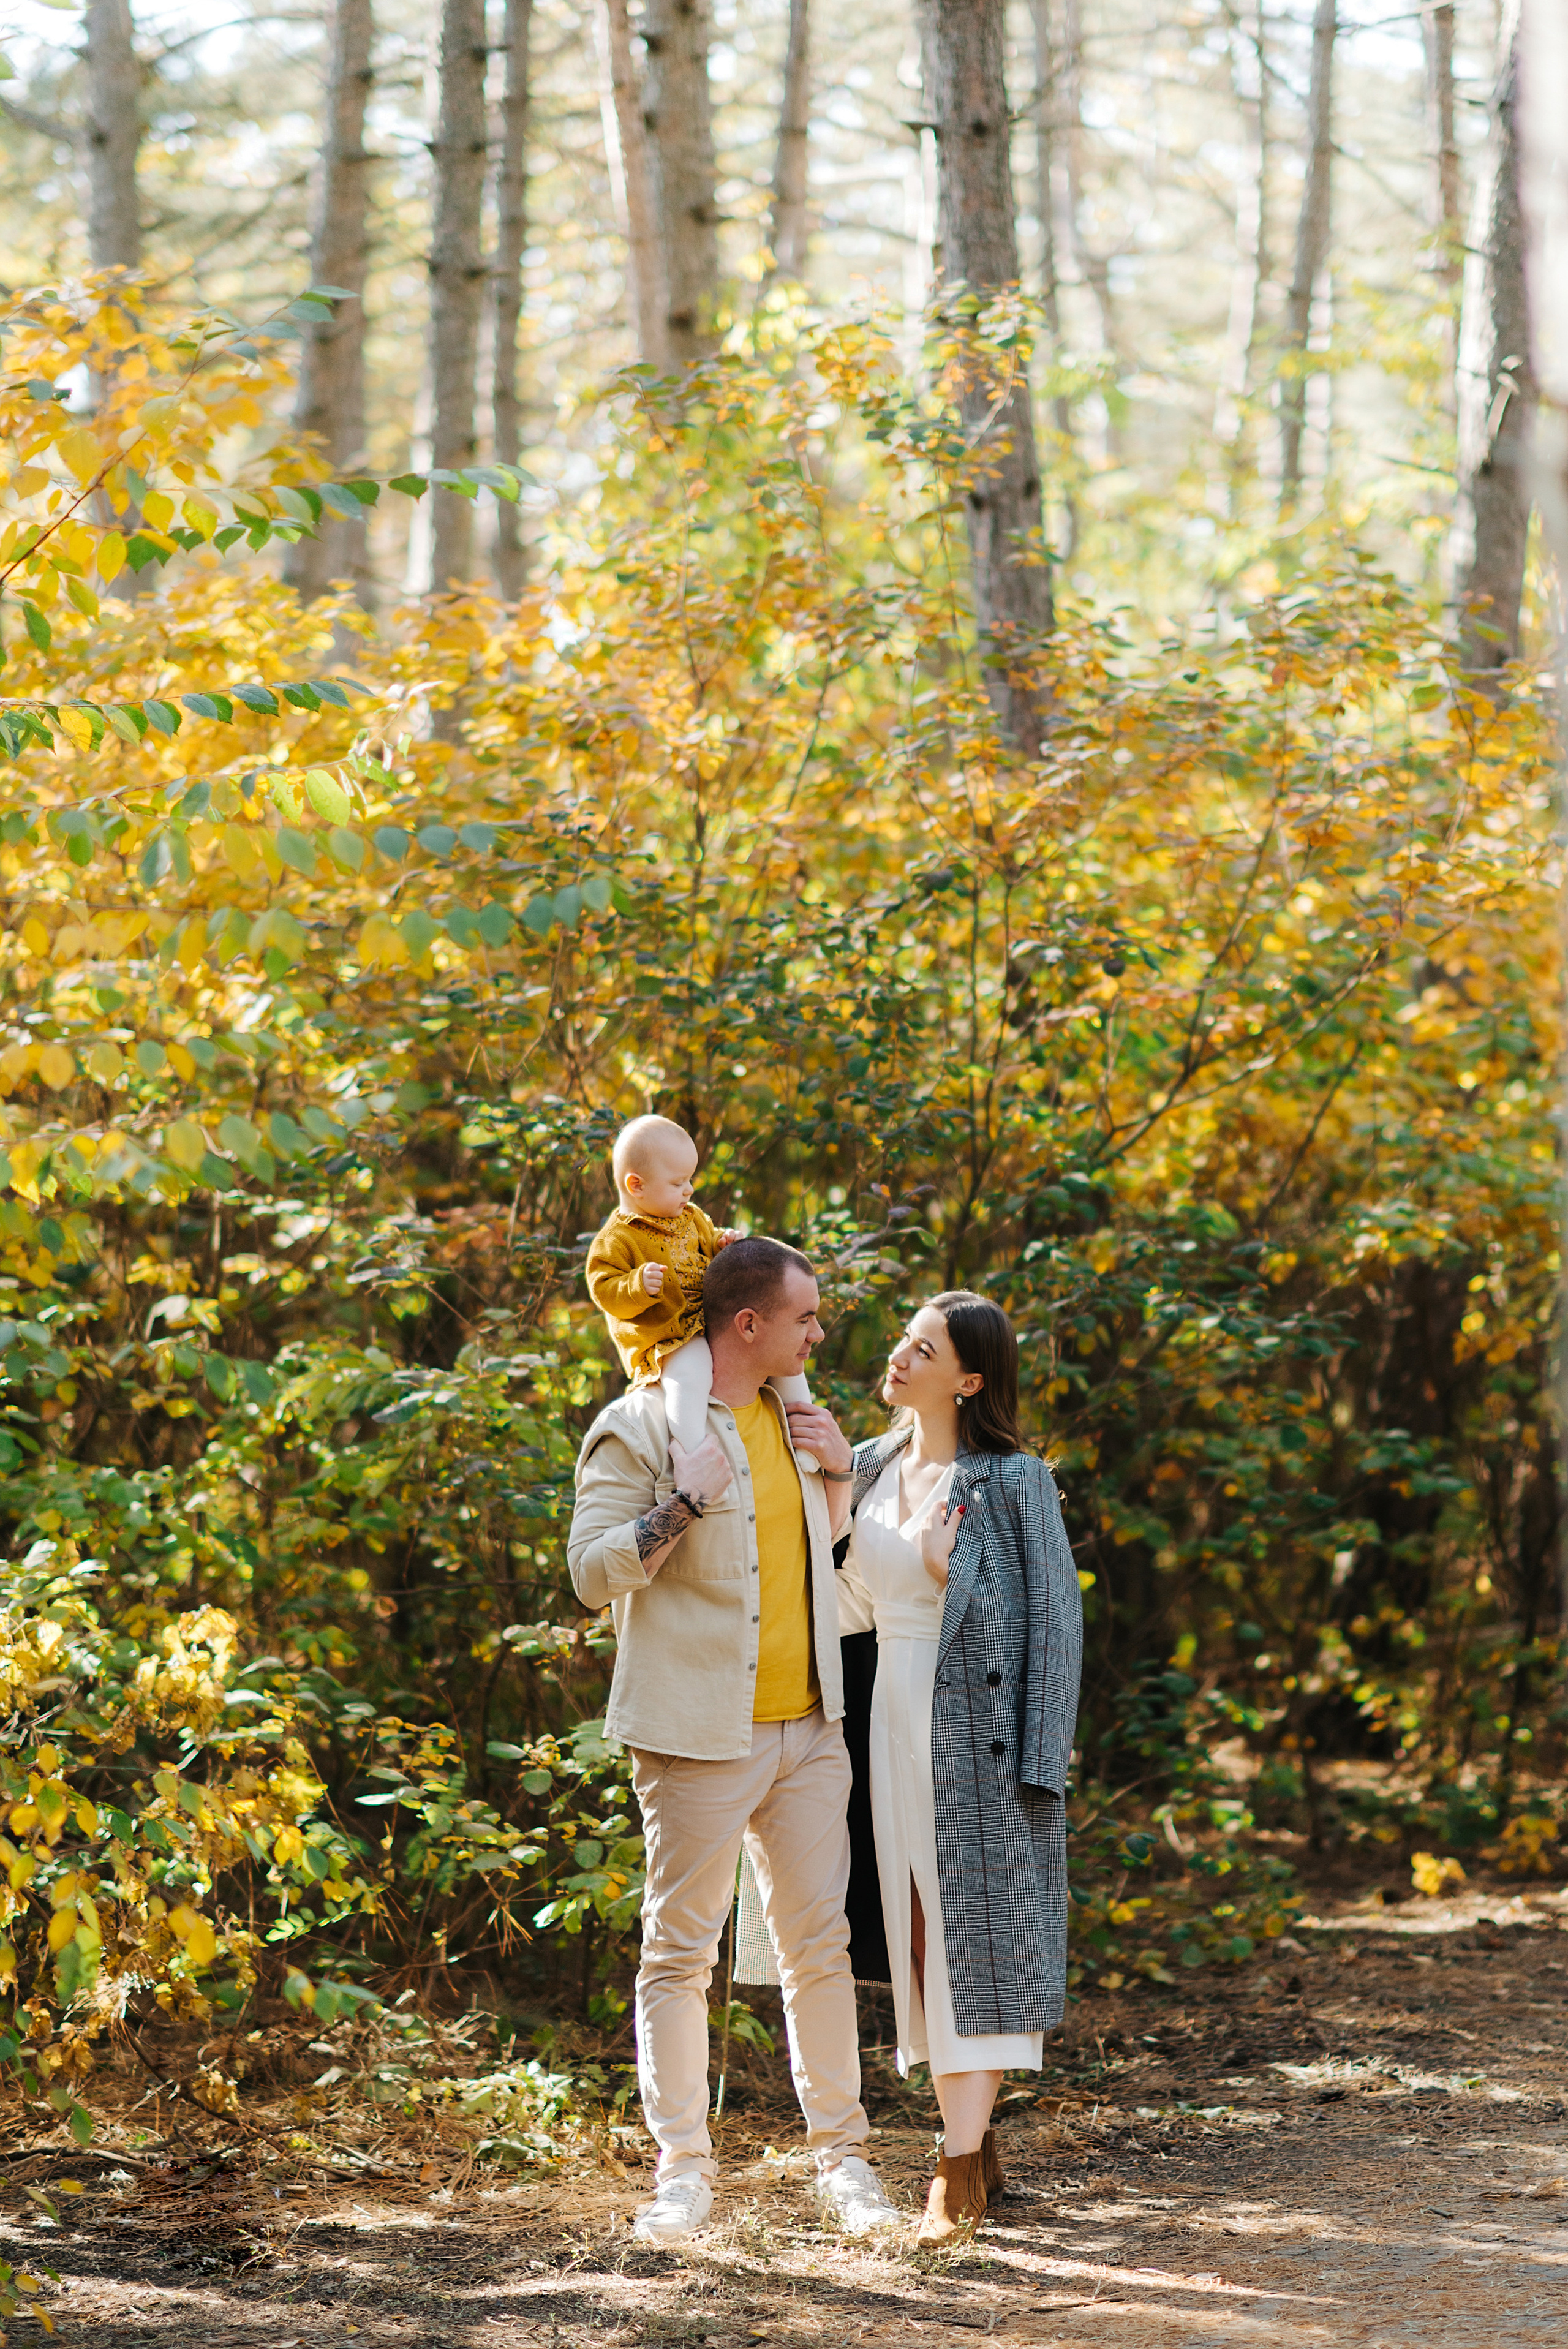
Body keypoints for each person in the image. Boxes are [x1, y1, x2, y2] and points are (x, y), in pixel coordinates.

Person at [567, 1235, 900, 2245]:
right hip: (696, 1737)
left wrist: (844, 1480)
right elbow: (591, 1574)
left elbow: (824, 1581)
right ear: (748, 1326)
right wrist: (683, 1503)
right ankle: (683, 2178)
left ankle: (844, 2163)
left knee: (819, 1953)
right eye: (806, 1317)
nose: (820, 1332)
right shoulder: (641, 1425)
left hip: (812, 1731)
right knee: (679, 1957)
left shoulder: (801, 1424)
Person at [835, 1291, 1083, 2243]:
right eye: (906, 1336)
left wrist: (953, 1573)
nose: (900, 1353)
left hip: (977, 1732)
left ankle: (955, 2168)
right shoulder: (870, 1462)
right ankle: (974, 2140)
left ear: (968, 1378)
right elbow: (844, 1598)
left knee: (973, 1942)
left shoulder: (1015, 1479)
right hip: (881, 1713)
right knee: (920, 1937)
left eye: (923, 1346)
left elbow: (1053, 1625)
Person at [584, 1115, 818, 1468]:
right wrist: (635, 1285)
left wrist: (721, 1243)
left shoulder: (690, 1216)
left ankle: (806, 1438)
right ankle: (694, 1455)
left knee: (788, 1364)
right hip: (670, 1333)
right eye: (678, 1182)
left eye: (690, 1180)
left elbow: (705, 1245)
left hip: (711, 1315)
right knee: (692, 1374)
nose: (689, 1190)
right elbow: (603, 1288)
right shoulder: (617, 1240)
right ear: (636, 1185)